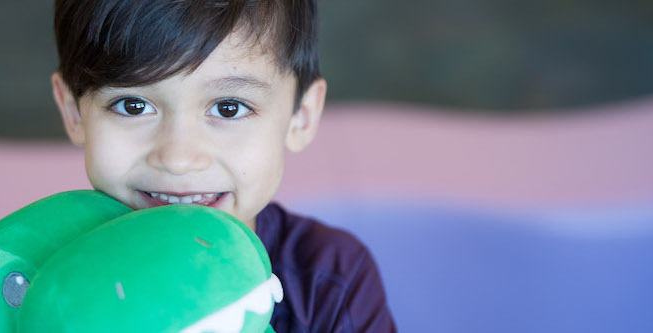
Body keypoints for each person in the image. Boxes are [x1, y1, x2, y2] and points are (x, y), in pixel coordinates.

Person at [49, 0, 396, 331]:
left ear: (300, 118)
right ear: (73, 112)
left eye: (228, 108)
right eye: (133, 106)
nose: (178, 159)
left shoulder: (331, 279)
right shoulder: (34, 275)